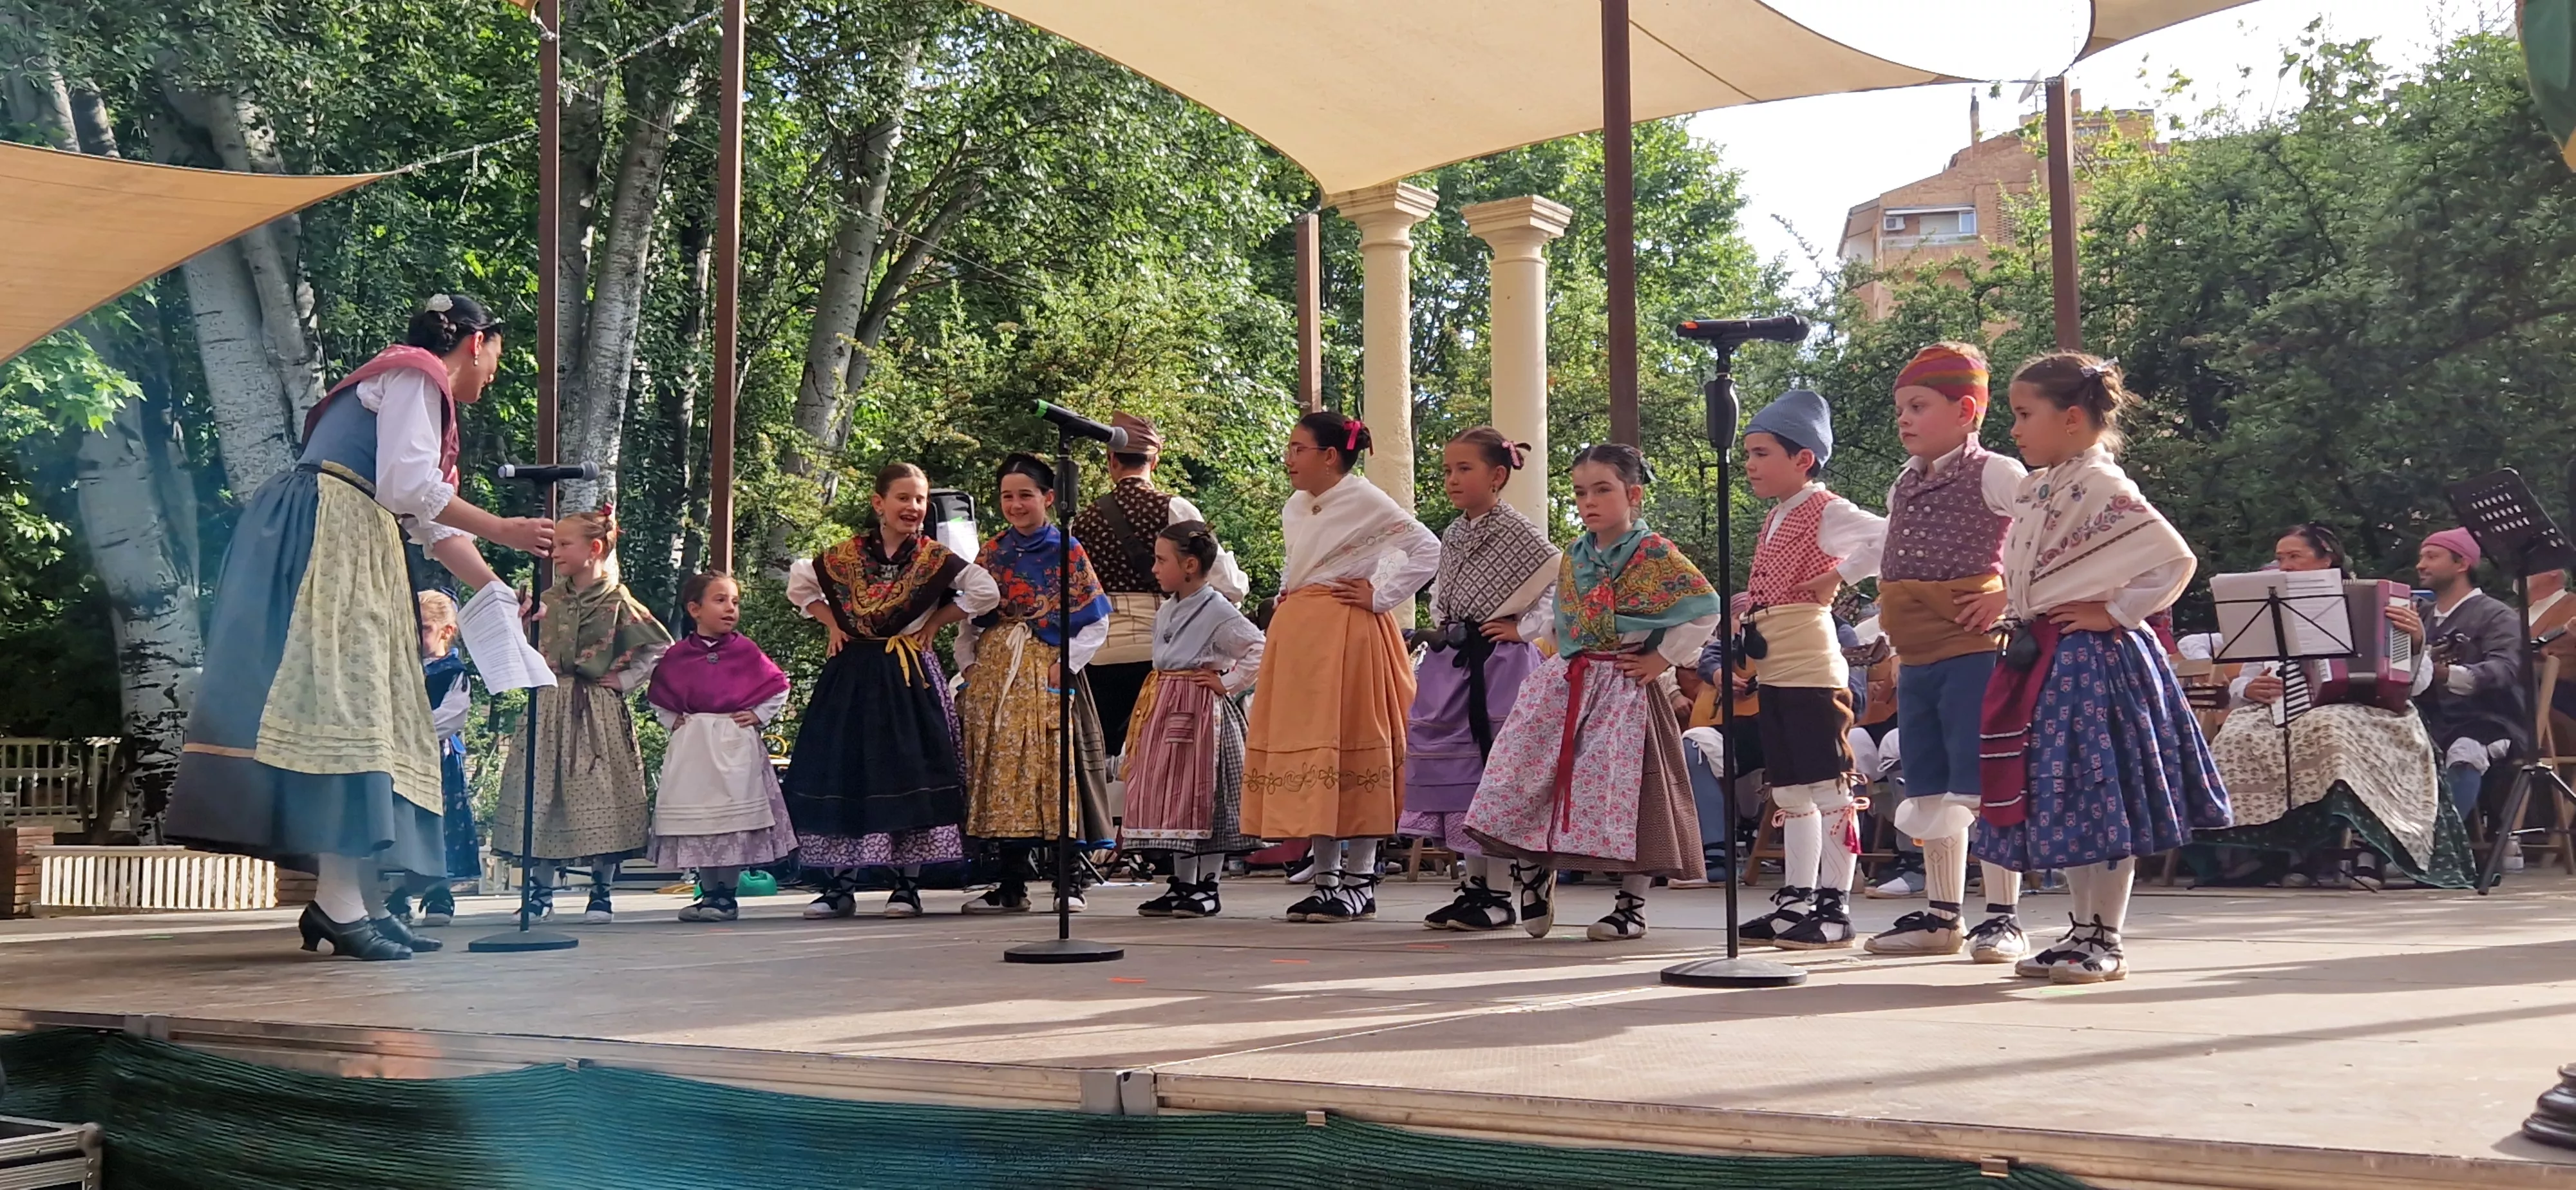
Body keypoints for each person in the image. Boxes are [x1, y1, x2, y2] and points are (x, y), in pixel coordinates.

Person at [166, 293, 554, 961]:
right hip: (329, 537)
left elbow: (428, 522)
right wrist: (503, 527)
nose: (494, 371)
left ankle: (349, 903)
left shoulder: (422, 396)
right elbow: (408, 488)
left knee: (364, 722)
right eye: (496, 354)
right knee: (347, 716)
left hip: (355, 539)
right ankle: (341, 908)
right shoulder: (415, 375)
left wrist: (494, 590)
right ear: (473, 341)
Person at [1978, 353, 2230, 984]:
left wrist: (2114, 610)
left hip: (2093, 662)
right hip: (2047, 656)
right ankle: (2078, 928)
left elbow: (2170, 560)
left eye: (2023, 414)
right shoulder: (2042, 486)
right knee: (2064, 798)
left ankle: (2104, 936)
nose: (2014, 429)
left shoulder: (2102, 486)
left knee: (2101, 794)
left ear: (2070, 418)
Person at [1462, 444, 1719, 940]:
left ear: (1633, 494)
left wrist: (1660, 658)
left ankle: (1631, 905)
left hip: (1624, 687)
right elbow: (1564, 622)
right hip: (1568, 683)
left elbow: (1703, 608)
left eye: (1603, 490)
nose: (1589, 501)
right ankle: (1534, 869)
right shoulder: (1576, 555)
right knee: (1527, 774)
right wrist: (1556, 660)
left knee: (1631, 792)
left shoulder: (1655, 555)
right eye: (1581, 492)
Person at [1856, 343, 2034, 963]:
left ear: (1966, 411)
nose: (1904, 419)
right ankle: (1943, 914)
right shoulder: (1904, 481)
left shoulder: (1996, 472)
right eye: (1901, 408)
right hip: (1919, 654)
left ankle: (2004, 916)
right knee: (1930, 784)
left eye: (1918, 406)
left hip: (1974, 652)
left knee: (1981, 781)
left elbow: (2042, 535)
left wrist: (2008, 595)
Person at [1242, 410, 1440, 923]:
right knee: (1314, 756)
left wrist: (1381, 596)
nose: (1289, 458)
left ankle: (1360, 879)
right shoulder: (1296, 504)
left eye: (1298, 448)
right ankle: (1326, 879)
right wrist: (1289, 589)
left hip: (1346, 633)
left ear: (1331, 456)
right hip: (1301, 633)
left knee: (1351, 748)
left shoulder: (1365, 499)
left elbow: (1426, 548)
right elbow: (1303, 558)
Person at [785, 462, 1001, 918]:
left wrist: (938, 622)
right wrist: (833, 623)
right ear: (878, 503)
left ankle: (906, 886)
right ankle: (839, 887)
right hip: (853, 674)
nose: (914, 508)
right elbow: (801, 584)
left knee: (908, 773)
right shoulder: (845, 558)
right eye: (904, 498)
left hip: (907, 674)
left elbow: (985, 591)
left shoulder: (933, 558)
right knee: (847, 771)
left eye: (920, 500)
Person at [2202, 524, 2461, 887]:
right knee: (2237, 732)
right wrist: (2250, 687)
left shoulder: (2383, 602)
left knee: (2329, 726)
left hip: (2372, 712)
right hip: (2285, 708)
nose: (2285, 566)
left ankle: (2359, 848)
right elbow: (2243, 679)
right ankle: (2265, 853)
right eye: (2280, 558)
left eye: (2295, 557)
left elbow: (2416, 684)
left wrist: (2417, 643)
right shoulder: (2270, 605)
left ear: (2327, 559)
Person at [1730, 388, 1886, 952]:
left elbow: (1888, 535)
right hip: (1775, 663)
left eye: (1763, 452)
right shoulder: (1777, 516)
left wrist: (1843, 576)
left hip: (1812, 665)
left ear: (1804, 459)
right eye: (1748, 452)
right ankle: (1796, 897)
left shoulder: (1826, 509)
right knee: (1791, 787)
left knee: (1828, 783)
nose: (1750, 464)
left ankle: (1834, 906)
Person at [1409, 428, 1560, 932]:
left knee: (1496, 772)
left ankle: (1517, 881)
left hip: (1501, 667)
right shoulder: (1455, 533)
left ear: (1498, 476)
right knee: (1460, 779)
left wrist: (1524, 628)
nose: (1452, 479)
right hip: (1455, 663)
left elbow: (1555, 584)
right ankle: (1479, 887)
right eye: (1448, 470)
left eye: (1464, 469)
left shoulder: (1521, 534)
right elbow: (1446, 591)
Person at [954, 453, 1116, 914]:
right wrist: (968, 663)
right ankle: (1011, 883)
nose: (1016, 504)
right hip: (998, 680)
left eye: (1026, 495)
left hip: (1048, 672)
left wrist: (1065, 664)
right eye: (1008, 496)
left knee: (1055, 770)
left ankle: (1070, 880)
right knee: (1004, 775)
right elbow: (970, 619)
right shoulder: (992, 552)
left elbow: (1095, 621)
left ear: (1048, 498)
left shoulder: (1067, 548)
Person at [493, 509, 671, 924]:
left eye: (563, 544)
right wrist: (522, 628)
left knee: (600, 792)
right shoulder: (549, 600)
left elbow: (658, 645)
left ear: (594, 549)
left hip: (595, 707)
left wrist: (627, 679)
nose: (555, 552)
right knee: (540, 792)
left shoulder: (617, 600)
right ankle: (539, 891)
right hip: (549, 702)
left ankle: (601, 890)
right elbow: (528, 649)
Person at [1068, 412, 1251, 776]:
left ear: (1112, 461)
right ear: (1155, 460)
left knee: (1107, 758)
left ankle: (1116, 829)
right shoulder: (1174, 508)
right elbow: (1226, 582)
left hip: (1099, 653)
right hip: (1160, 652)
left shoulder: (1083, 519)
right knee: (1157, 758)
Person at [1121, 522, 1266, 918]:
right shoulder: (1168, 608)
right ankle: (1182, 883)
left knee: (1205, 793)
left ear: (1188, 565)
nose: (1154, 568)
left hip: (1199, 708)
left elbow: (1258, 646)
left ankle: (1208, 885)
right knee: (1174, 797)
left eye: (1161, 560)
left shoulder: (1216, 609)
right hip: (1165, 702)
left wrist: (1228, 682)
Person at [647, 572, 798, 923]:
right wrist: (673, 720)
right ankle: (708, 892)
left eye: (735, 601)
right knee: (700, 819)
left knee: (730, 820)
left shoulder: (745, 651)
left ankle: (726, 896)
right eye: (720, 600)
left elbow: (778, 685)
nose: (731, 608)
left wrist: (758, 716)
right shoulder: (678, 655)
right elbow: (659, 694)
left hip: (733, 742)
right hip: (694, 747)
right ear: (695, 609)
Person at [2412, 526, 2531, 851]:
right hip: (2429, 718)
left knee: (2466, 749)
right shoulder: (2418, 615)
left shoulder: (2497, 615)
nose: (2421, 564)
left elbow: (2505, 669)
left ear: (2461, 563)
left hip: (2492, 719)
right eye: (2422, 556)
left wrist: (2444, 673)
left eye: (2432, 556)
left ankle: (2438, 850)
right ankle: (2386, 848)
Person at [386, 590, 476, 927]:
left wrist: (412, 732)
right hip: (399, 757)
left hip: (436, 758)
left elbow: (453, 716)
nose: (416, 635)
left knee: (438, 824)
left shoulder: (453, 672)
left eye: (424, 628)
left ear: (446, 631)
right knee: (403, 822)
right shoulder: (398, 669)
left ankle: (439, 890)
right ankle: (399, 891)